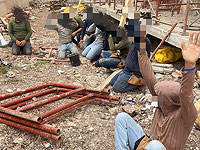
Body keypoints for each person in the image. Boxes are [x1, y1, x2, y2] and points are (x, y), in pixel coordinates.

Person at [115, 32, 199, 150]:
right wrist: (142, 50)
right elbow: (149, 76)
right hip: (148, 144)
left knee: (155, 145)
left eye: (159, 95)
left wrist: (190, 65)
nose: (156, 96)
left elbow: (186, 95)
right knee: (122, 118)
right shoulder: (160, 105)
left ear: (171, 100)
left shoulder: (185, 114)